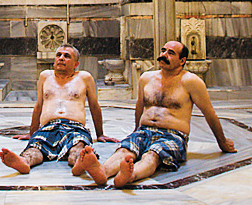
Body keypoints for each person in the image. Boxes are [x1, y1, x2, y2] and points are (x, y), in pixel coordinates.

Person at [75, 40, 236, 187]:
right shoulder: (146, 78)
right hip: (144, 130)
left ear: (182, 61)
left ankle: (130, 175)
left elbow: (209, 113)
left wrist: (222, 142)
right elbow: (140, 107)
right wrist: (135, 131)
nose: (164, 55)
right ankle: (103, 171)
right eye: (163, 51)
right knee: (125, 150)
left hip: (172, 135)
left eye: (170, 53)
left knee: (152, 155)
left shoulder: (191, 82)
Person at [0, 44, 116, 182]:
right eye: (58, 55)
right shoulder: (45, 76)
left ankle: (80, 162)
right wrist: (31, 133)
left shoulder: (84, 77)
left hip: (75, 127)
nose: (61, 58)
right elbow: (38, 106)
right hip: (48, 127)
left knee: (78, 148)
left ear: (76, 63)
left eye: (67, 56)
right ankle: (24, 161)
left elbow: (94, 106)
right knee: (35, 148)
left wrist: (100, 134)